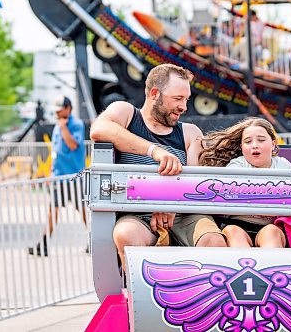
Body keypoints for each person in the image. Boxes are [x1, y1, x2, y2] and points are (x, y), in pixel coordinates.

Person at [89, 63, 226, 270]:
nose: (184, 107)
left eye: (186, 99)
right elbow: (99, 128)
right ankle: (138, 298)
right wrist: (155, 150)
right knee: (125, 235)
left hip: (183, 214)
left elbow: (195, 183)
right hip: (139, 215)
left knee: (214, 242)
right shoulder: (127, 114)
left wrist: (170, 203)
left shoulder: (189, 132)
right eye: (178, 99)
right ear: (155, 93)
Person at [199, 117, 291, 248]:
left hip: (270, 226)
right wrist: (269, 204)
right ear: (241, 147)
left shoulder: (283, 166)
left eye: (261, 140)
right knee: (233, 232)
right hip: (238, 224)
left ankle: (271, 267)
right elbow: (229, 197)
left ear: (273, 144)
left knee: (270, 233)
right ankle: (243, 266)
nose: (255, 145)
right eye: (248, 142)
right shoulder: (237, 165)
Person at [28, 96, 87, 257]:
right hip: (58, 177)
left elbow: (73, 145)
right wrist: (50, 173)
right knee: (52, 210)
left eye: (60, 109)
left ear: (69, 108)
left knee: (82, 211)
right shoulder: (58, 125)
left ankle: (94, 240)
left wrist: (63, 128)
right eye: (56, 109)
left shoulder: (76, 124)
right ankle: (44, 243)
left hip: (74, 179)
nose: (57, 112)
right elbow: (56, 150)